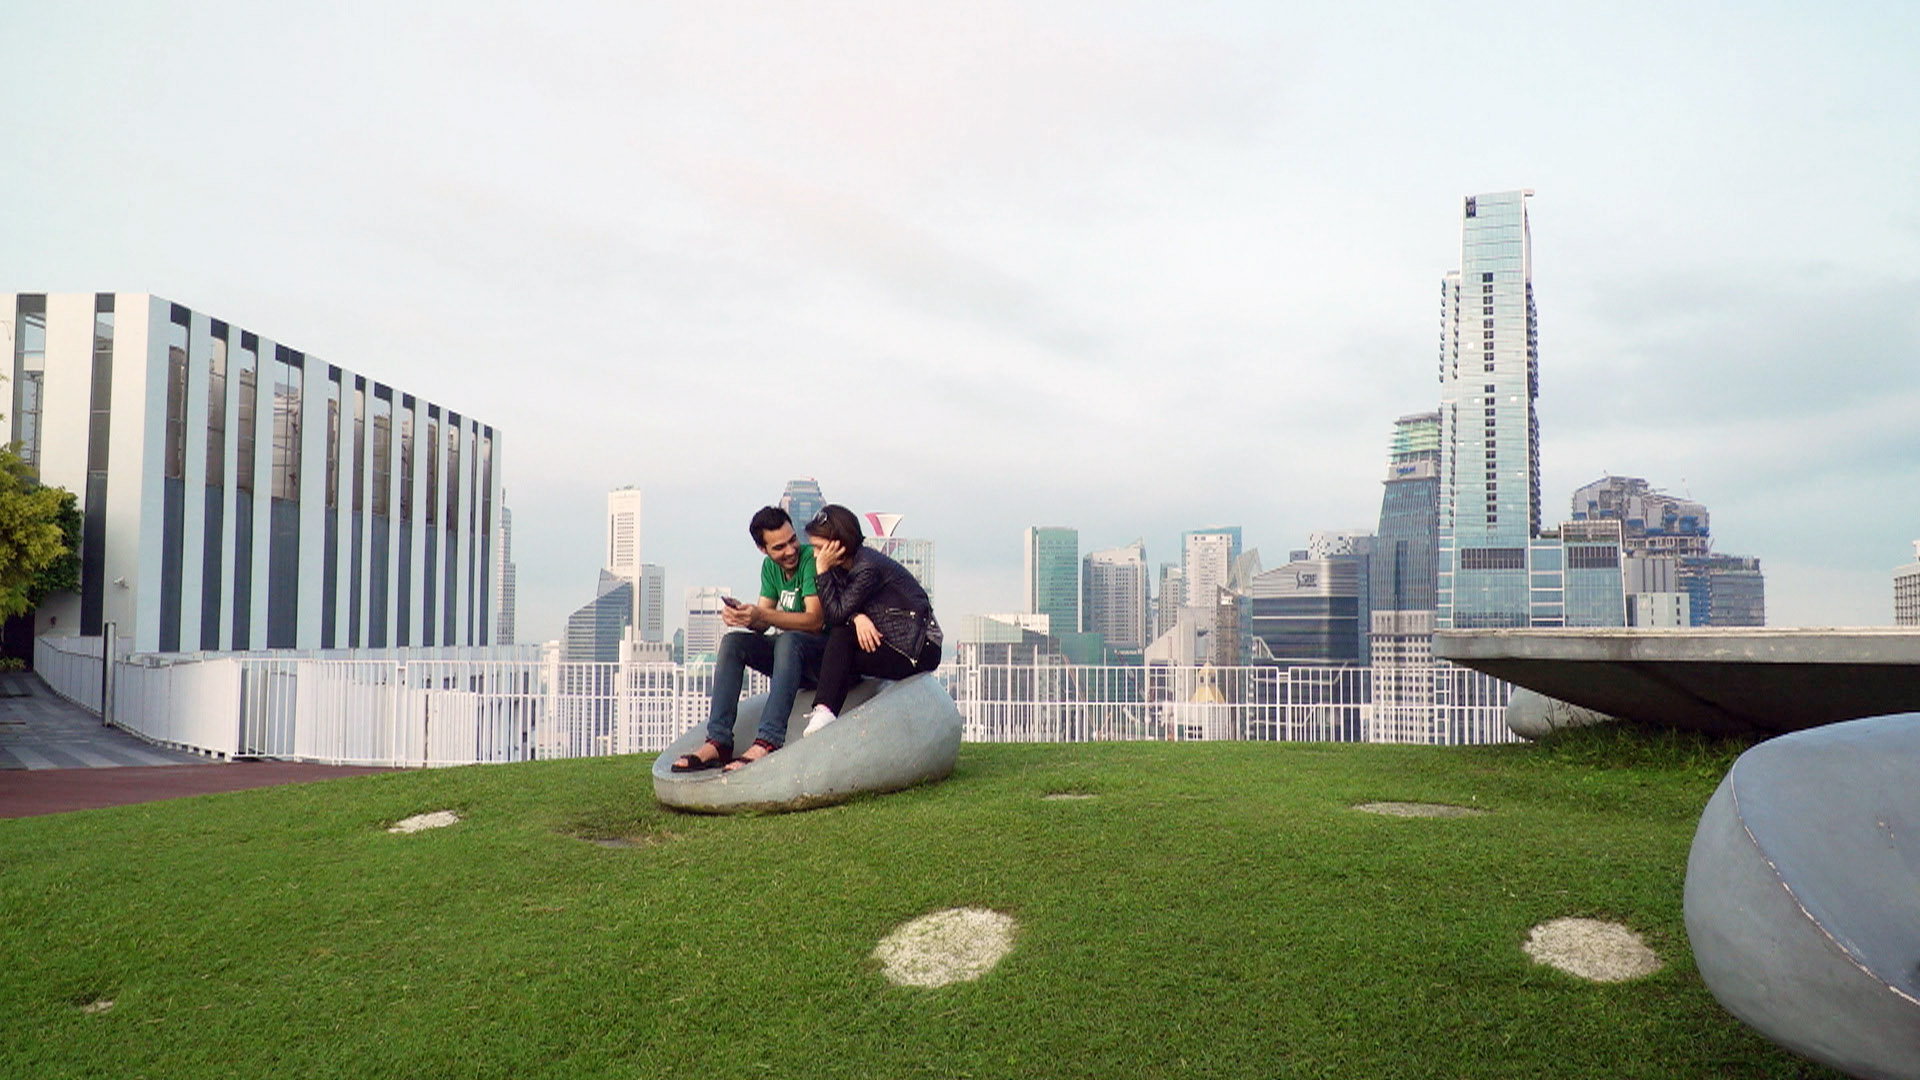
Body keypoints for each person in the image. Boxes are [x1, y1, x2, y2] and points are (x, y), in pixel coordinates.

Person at [670, 506, 826, 773]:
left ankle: (768, 740)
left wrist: (762, 613)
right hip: (791, 659)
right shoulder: (770, 568)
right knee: (734, 643)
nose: (790, 551)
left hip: (822, 658)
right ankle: (718, 741)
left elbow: (814, 621)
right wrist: (745, 617)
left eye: (792, 541)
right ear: (763, 549)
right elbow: (763, 623)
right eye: (779, 547)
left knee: (789, 641)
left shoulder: (811, 559)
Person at [798, 504, 942, 735]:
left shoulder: (867, 567)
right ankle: (825, 707)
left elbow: (835, 616)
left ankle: (825, 711)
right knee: (834, 652)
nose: (815, 555)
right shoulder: (841, 566)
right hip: (891, 641)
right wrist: (857, 617)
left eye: (818, 547)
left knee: (840, 635)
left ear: (838, 543)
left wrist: (822, 571)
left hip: (918, 649)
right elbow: (839, 611)